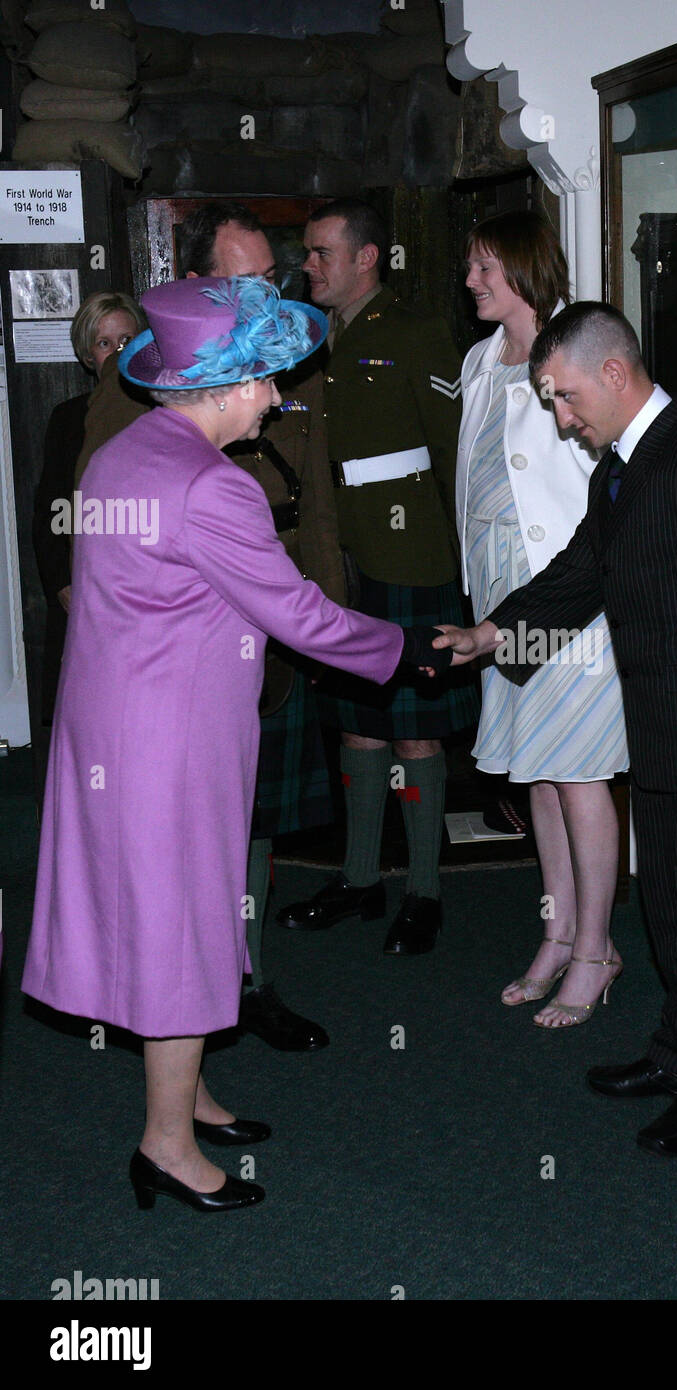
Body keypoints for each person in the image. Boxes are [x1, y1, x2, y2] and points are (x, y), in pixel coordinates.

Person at [22, 276, 448, 1212]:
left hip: (119, 731)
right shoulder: (214, 487)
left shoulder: (128, 451)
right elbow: (301, 617)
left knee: (182, 918)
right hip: (170, 745)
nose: (277, 397)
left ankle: (191, 1096)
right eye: (263, 380)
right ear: (218, 387)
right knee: (182, 933)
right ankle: (166, 1146)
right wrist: (409, 648)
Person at [435, 302, 677, 1154]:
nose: (563, 421)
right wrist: (493, 634)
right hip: (663, 730)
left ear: (612, 372)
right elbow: (580, 574)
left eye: (564, 399)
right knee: (669, 908)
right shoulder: (621, 470)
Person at [75, 202, 341, 1054]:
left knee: (247, 825)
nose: (259, 294)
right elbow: (105, 529)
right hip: (188, 648)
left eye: (270, 278)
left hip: (276, 636)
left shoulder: (288, 367)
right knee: (181, 850)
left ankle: (245, 976)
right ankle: (212, 990)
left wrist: (332, 610)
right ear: (195, 282)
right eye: (239, 280)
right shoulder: (137, 392)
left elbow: (320, 502)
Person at [278, 198, 476, 955]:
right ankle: (359, 880)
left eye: (322, 252)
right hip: (336, 560)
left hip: (409, 557)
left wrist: (464, 565)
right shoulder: (306, 340)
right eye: (308, 252)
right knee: (358, 727)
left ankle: (423, 891)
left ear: (367, 257)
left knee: (416, 735)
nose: (309, 266)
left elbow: (453, 452)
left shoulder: (417, 332)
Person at [458, 212, 628, 1026]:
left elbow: (608, 477)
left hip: (570, 595)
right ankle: (558, 933)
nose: (473, 282)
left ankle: (597, 946)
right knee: (539, 773)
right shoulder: (480, 360)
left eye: (486, 267)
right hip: (503, 598)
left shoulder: (577, 349)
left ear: (524, 268)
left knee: (581, 772)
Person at [32, 290, 142, 723]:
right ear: (87, 356)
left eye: (126, 340)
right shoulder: (69, 418)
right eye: (104, 343)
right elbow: (53, 507)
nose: (116, 353)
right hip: (89, 587)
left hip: (150, 583)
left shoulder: (167, 411)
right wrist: (62, 580)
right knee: (93, 716)